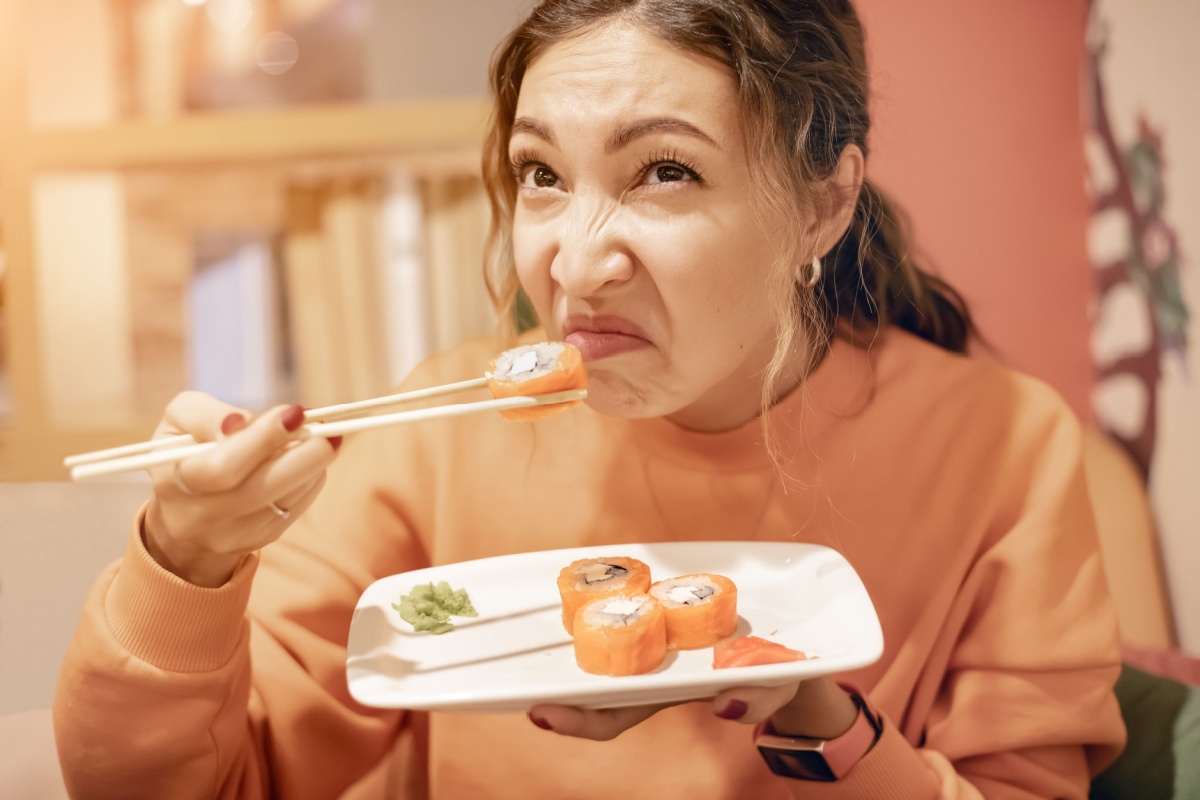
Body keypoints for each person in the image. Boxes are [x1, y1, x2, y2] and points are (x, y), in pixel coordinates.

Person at [53, 1, 1126, 797]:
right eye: (541, 175)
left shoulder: (1004, 448)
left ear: (822, 204)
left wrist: (814, 715)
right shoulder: (438, 437)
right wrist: (185, 560)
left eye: (665, 172)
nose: (574, 264)